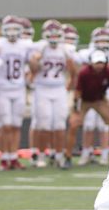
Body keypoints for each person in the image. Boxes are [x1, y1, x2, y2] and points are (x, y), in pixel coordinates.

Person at [28, 20, 76, 168]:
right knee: (44, 124)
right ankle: (42, 155)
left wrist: (69, 86)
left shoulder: (65, 49)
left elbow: (73, 70)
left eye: (57, 35)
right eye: (51, 35)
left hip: (59, 89)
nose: (54, 38)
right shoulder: (40, 47)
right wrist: (35, 59)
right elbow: (34, 70)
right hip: (42, 88)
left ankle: (59, 155)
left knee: (60, 123)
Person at [65, 49, 109, 168]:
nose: (99, 66)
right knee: (73, 124)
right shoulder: (84, 73)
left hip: (100, 100)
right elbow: (77, 92)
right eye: (97, 63)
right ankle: (67, 156)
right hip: (84, 101)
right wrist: (76, 110)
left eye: (101, 63)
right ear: (91, 63)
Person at [0, 15, 31, 170]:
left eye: (14, 29)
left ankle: (14, 156)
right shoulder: (0, 45)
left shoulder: (25, 45)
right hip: (3, 90)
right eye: (8, 28)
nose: (11, 32)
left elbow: (34, 62)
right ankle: (5, 157)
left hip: (19, 89)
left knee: (17, 125)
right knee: (6, 125)